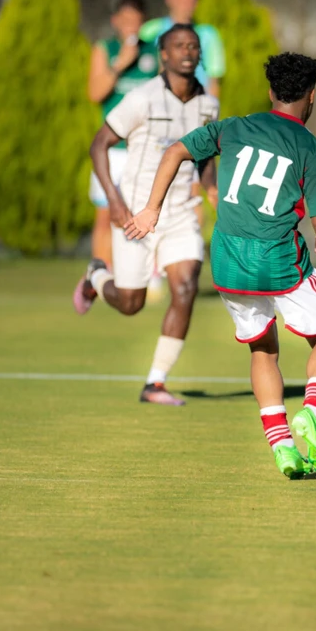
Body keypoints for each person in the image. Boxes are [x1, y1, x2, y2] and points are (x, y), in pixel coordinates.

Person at [124, 52, 316, 479]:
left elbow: (175, 151)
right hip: (277, 260)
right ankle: (312, 414)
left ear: (272, 91)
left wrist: (151, 211)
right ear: (311, 97)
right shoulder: (311, 148)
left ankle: (283, 450)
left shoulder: (235, 127)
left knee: (263, 349)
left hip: (228, 263)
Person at [73, 25, 219, 406]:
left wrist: (214, 192)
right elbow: (98, 146)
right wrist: (116, 202)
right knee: (130, 303)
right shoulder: (141, 98)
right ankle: (96, 275)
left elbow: (203, 159)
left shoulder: (209, 105)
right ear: (164, 55)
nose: (187, 51)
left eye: (193, 46)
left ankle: (155, 382)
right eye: (178, 46)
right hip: (137, 214)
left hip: (180, 215)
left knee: (185, 288)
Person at [86, 0, 160, 266]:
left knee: (146, 213)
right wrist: (120, 64)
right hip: (113, 150)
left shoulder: (154, 51)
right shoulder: (105, 49)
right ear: (115, 21)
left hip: (144, 150)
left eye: (136, 20)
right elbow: (94, 92)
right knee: (106, 215)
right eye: (125, 19)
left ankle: (147, 277)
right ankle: (101, 275)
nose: (130, 25)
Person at [139, 0, 226, 96]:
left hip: (195, 103)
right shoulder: (150, 30)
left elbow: (214, 81)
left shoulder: (208, 34)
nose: (185, 3)